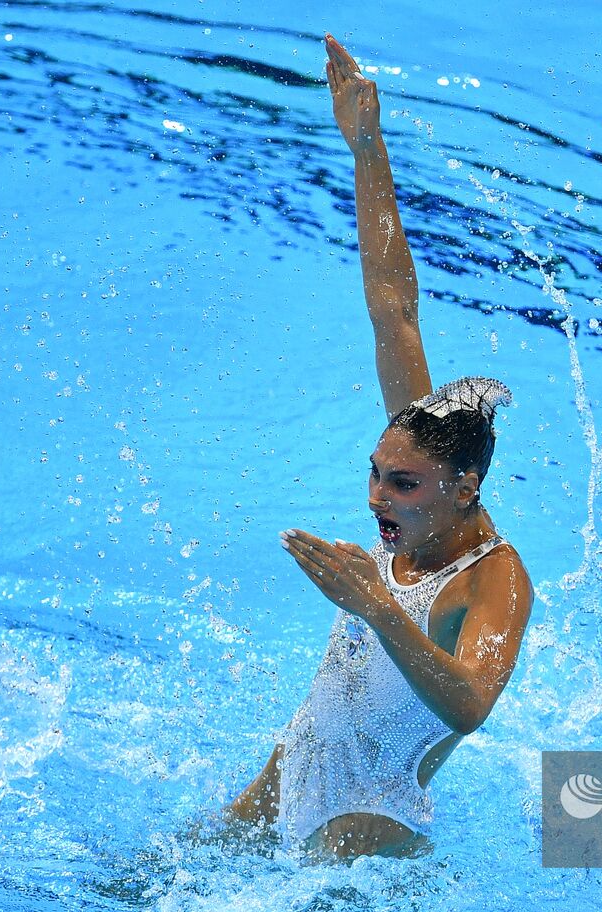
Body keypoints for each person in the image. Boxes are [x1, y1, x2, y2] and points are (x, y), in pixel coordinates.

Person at [225, 34, 533, 857]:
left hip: (372, 820)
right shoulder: (423, 454)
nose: (376, 498)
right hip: (295, 770)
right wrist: (367, 148)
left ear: (463, 486)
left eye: (401, 485)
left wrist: (377, 609)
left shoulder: (496, 578)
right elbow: (392, 305)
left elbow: (471, 702)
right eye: (375, 473)